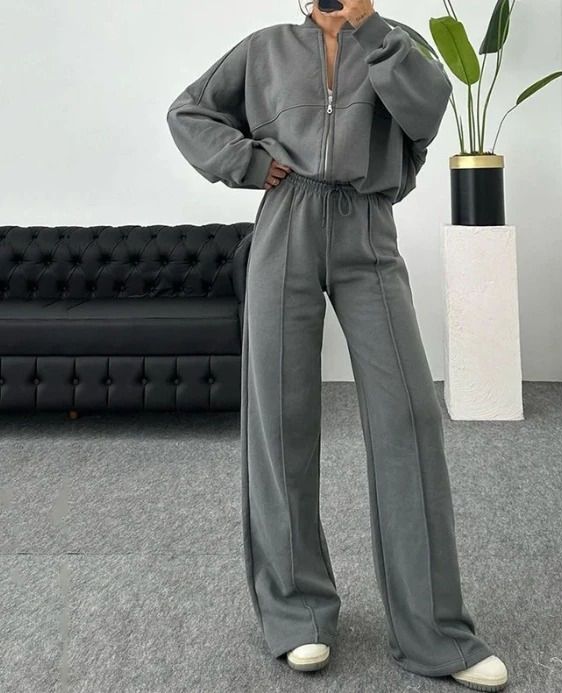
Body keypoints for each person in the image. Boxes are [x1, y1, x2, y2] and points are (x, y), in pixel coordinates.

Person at [166, 0, 508, 689]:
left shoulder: (394, 41)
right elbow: (188, 112)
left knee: (408, 418)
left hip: (366, 226)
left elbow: (426, 112)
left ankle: (435, 631)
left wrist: (368, 25)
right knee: (281, 421)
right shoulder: (264, 47)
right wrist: (245, 161)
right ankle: (298, 614)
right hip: (285, 223)